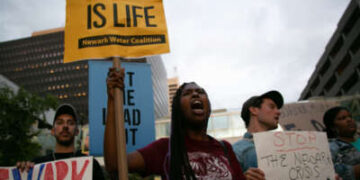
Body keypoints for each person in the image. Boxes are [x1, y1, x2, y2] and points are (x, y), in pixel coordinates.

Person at [104, 67, 246, 180]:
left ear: (208, 106)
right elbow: (114, 164)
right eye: (187, 93)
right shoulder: (165, 148)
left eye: (200, 92)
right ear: (178, 109)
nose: (196, 94)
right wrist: (112, 101)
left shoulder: (225, 148)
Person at [16, 104, 105, 180]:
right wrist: (23, 173)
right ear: (53, 131)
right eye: (60, 122)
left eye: (70, 123)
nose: (65, 126)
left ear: (77, 131)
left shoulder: (90, 165)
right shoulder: (37, 165)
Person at [232, 90, 283, 180]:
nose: (278, 112)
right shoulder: (236, 151)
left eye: (277, 108)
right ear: (254, 110)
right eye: (272, 107)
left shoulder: (285, 147)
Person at [323, 106, 360, 180]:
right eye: (342, 118)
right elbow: (333, 172)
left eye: (350, 116)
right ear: (333, 127)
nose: (349, 120)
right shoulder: (332, 147)